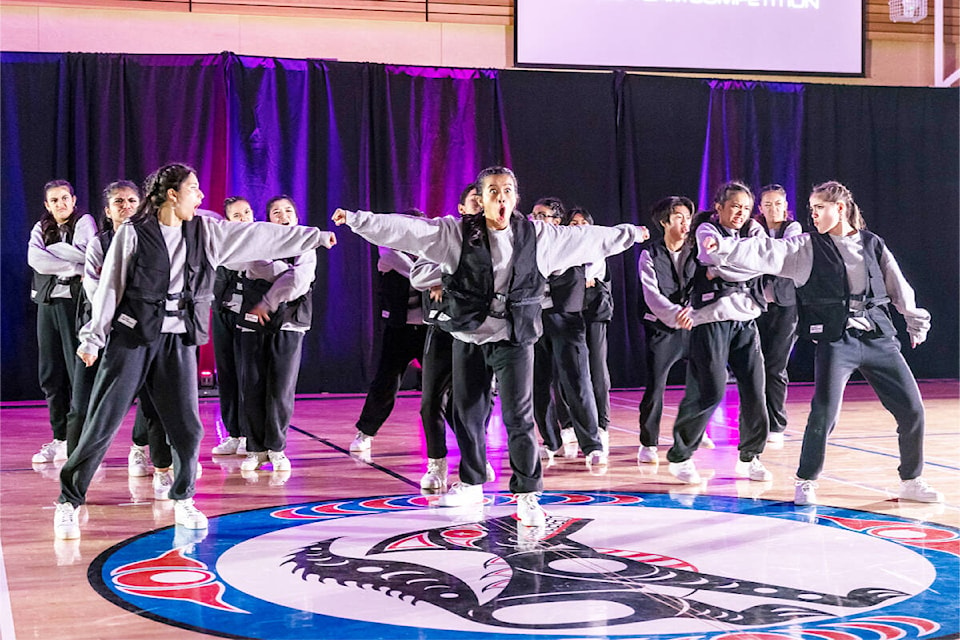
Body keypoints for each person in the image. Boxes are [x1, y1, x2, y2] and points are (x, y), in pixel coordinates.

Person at [332, 165, 649, 527]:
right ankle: (471, 482)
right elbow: (410, 231)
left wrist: (629, 234)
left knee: (519, 416)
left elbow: (588, 239)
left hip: (515, 338)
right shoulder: (456, 233)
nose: (501, 197)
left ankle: (528, 495)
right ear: (480, 200)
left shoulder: (538, 235)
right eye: (493, 191)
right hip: (469, 335)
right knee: (467, 413)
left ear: (516, 198)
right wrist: (359, 220)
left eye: (507, 190)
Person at [54, 163, 337, 540]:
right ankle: (69, 501)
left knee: (188, 428)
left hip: (177, 340)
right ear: (172, 194)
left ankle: (183, 497)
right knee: (103, 422)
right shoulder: (133, 234)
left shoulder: (206, 231)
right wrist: (93, 338)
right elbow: (109, 289)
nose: (201, 197)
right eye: (194, 189)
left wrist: (312, 237)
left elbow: (258, 236)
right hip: (133, 338)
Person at [700, 180, 942, 506]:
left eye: (819, 208)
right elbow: (767, 252)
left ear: (839, 208)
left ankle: (911, 479)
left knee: (912, 409)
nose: (812, 215)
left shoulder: (872, 244)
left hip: (877, 337)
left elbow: (897, 284)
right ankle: (806, 479)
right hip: (836, 340)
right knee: (824, 413)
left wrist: (914, 319)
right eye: (811, 209)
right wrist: (724, 247)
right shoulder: (805, 247)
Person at [65, 180, 174, 498]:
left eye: (131, 200)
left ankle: (162, 469)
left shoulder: (155, 240)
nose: (126, 206)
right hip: (108, 333)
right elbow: (96, 290)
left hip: (146, 333)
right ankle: (75, 480)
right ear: (107, 209)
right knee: (89, 408)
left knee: (156, 407)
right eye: (118, 201)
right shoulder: (100, 244)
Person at [665, 181, 771, 485]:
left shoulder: (753, 232)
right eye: (735, 206)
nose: (741, 212)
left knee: (755, 389)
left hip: (746, 320)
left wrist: (733, 264)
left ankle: (750, 457)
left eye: (746, 208)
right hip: (711, 321)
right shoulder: (706, 232)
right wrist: (738, 263)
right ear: (720, 207)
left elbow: (761, 261)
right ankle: (681, 456)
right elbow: (715, 262)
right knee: (709, 390)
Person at [237, 195, 323, 475]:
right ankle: (255, 448)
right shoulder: (258, 239)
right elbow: (255, 267)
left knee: (281, 388)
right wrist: (287, 270)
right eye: (276, 211)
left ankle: (276, 448)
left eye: (288, 210)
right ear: (268, 218)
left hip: (290, 322)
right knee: (253, 384)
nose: (283, 215)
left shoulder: (308, 243)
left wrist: (275, 288)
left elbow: (299, 283)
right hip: (254, 319)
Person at [529, 197, 605, 470]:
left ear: (557, 221)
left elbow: (599, 251)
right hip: (535, 321)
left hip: (566, 319)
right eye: (534, 214)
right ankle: (551, 441)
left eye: (543, 215)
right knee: (538, 385)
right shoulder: (526, 245)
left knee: (577, 382)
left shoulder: (572, 243)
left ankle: (592, 445)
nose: (535, 220)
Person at [348, 208, 430, 456]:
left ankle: (464, 438)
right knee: (386, 382)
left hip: (430, 328)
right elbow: (417, 276)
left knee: (441, 385)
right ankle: (365, 433)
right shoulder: (389, 250)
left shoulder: (431, 250)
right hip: (399, 328)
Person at [28, 180, 98, 464]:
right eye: (54, 200)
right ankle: (60, 438)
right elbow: (37, 260)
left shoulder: (85, 222)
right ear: (47, 205)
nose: (60, 204)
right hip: (48, 304)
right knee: (50, 372)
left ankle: (81, 439)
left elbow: (88, 253)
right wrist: (73, 265)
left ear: (73, 199)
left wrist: (56, 251)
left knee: (76, 371)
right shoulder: (39, 227)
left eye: (64, 198)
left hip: (75, 305)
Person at [636, 196, 703, 465]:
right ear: (664, 221)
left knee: (703, 384)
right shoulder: (649, 254)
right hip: (663, 328)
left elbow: (704, 285)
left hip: (695, 325)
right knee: (655, 387)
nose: (685, 223)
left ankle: (696, 433)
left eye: (688, 217)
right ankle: (648, 442)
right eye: (678, 217)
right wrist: (676, 315)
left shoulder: (698, 251)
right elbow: (651, 294)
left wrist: (694, 312)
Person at [755, 184, 802, 449]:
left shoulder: (792, 230)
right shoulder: (753, 229)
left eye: (778, 203)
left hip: (786, 306)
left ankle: (777, 424)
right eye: (768, 204)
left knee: (775, 365)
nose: (774, 209)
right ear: (760, 208)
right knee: (754, 365)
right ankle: (754, 421)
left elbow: (781, 252)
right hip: (757, 304)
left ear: (786, 206)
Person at [210, 196, 255, 457]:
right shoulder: (219, 244)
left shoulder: (260, 240)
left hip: (249, 315)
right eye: (237, 215)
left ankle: (250, 434)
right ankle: (233, 433)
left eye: (247, 212)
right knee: (227, 374)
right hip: (223, 313)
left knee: (248, 374)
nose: (244, 218)